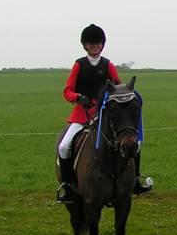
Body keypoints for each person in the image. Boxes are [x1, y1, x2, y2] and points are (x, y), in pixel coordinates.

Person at [56, 24, 153, 203]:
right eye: (91, 44)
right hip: (82, 115)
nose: (95, 46)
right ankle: (68, 186)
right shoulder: (79, 65)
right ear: (85, 45)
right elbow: (67, 91)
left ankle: (135, 180)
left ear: (102, 45)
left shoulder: (108, 65)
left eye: (98, 43)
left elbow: (119, 87)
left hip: (104, 114)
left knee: (134, 142)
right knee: (64, 146)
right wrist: (78, 97)